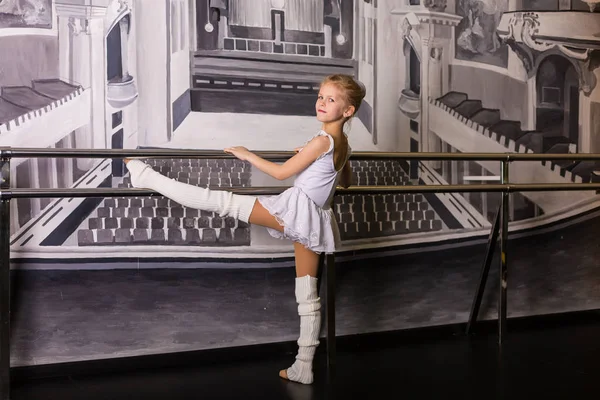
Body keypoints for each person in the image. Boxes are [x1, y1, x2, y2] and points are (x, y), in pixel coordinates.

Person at [124, 74, 366, 384]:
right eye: (321, 96)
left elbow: (280, 174)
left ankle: (147, 178)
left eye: (331, 99)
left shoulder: (321, 141)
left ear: (348, 111)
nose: (321, 102)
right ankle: (304, 364)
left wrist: (247, 154)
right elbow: (345, 181)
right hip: (316, 216)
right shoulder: (343, 143)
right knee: (308, 292)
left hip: (298, 210)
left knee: (220, 201)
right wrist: (307, 157)